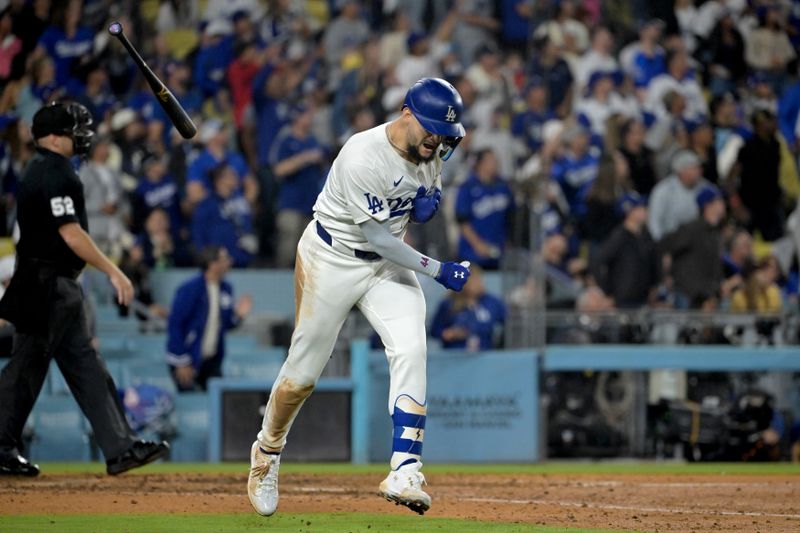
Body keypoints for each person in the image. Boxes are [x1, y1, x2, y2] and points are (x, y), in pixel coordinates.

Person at [247, 78, 472, 518]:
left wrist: (432, 197)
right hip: (332, 257)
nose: (437, 141)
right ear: (406, 113)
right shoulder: (361, 155)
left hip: (385, 265)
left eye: (443, 135)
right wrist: (437, 269)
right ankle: (267, 453)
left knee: (411, 347)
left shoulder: (432, 149)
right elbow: (378, 239)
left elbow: (422, 195)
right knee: (303, 373)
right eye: (430, 130)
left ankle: (405, 468)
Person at [0, 102, 168, 477]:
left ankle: (120, 447)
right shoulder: (56, 172)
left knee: (86, 367)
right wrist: (114, 271)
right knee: (26, 369)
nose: (82, 136)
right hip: (46, 285)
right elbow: (70, 233)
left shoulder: (41, 169)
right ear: (57, 138)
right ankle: (2, 446)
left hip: (52, 285)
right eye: (75, 130)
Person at [166, 246, 252, 392]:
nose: (230, 262)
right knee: (191, 403)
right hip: (188, 358)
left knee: (216, 403)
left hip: (212, 360)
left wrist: (238, 316)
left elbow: (226, 323)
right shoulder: (190, 289)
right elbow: (175, 324)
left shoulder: (226, 289)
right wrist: (181, 361)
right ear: (213, 264)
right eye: (225, 259)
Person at [429, 266, 506, 351]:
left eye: (479, 280)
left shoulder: (492, 302)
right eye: (473, 281)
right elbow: (434, 330)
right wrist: (449, 333)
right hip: (455, 354)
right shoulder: (448, 303)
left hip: (485, 353)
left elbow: (509, 323)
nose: (478, 284)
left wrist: (500, 345)